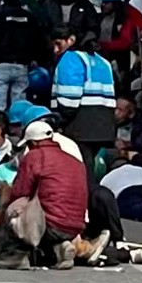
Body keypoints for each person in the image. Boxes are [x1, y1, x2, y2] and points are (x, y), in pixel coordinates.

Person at [3, 120, 91, 269]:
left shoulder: (35, 156)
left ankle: (18, 255)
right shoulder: (75, 160)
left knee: (15, 207)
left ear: (34, 143)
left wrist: (4, 197)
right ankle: (62, 247)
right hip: (75, 227)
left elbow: (20, 192)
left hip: (50, 227)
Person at [51, 27, 117, 178]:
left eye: (58, 44)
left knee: (80, 173)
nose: (55, 50)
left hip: (80, 126)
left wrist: (60, 121)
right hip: (104, 125)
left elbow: (69, 100)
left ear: (71, 40)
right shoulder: (103, 61)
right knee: (88, 168)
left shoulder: (71, 58)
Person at [0, 0, 47, 111]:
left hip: (0, 65)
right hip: (21, 65)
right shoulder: (29, 17)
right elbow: (37, 40)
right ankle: (17, 128)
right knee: (19, 106)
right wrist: (34, 59)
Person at [98, 0, 140, 85]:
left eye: (108, 2)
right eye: (104, 2)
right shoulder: (99, 18)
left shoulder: (125, 20)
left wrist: (103, 45)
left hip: (120, 62)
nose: (104, 5)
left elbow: (125, 42)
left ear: (116, 3)